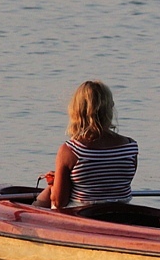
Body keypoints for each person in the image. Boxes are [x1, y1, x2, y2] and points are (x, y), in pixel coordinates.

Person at [33, 80, 138, 209]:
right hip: (121, 210)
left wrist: (52, 184)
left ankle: (27, 218)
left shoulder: (70, 150)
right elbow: (110, 183)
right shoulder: (130, 147)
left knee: (51, 191)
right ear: (109, 108)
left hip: (82, 214)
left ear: (77, 111)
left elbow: (60, 202)